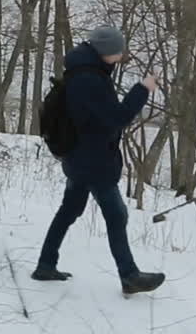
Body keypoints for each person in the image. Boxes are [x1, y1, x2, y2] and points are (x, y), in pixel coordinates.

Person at [33, 25, 165, 295]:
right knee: (117, 215)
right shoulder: (88, 80)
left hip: (79, 157)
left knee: (69, 210)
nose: (121, 56)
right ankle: (129, 275)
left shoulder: (85, 69)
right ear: (105, 52)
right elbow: (118, 117)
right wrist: (143, 88)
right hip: (92, 160)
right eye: (118, 52)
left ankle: (46, 265)